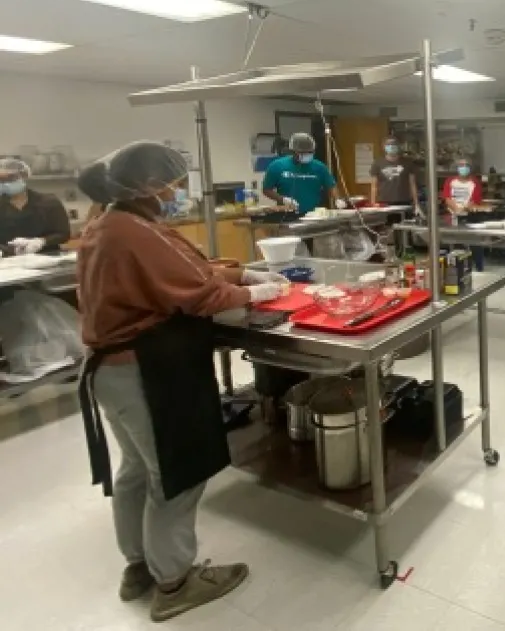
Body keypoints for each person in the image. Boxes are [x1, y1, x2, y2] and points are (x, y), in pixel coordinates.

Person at [75, 142, 289, 621]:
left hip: (111, 371)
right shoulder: (131, 231)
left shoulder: (110, 221)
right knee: (175, 473)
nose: (177, 191)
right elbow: (198, 294)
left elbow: (180, 268)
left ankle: (139, 565)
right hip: (144, 372)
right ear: (149, 185)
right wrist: (258, 289)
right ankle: (174, 581)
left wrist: (237, 272)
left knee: (136, 468)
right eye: (173, 183)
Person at [0, 157, 71, 254]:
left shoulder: (49, 202)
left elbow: (63, 234)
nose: (5, 183)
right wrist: (7, 250)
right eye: (1, 180)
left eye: (10, 178)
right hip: (9, 262)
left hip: (48, 258)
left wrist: (41, 242)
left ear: (23, 176)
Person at [262, 132, 341, 216]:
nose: (307, 155)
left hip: (314, 215)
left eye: (310, 152)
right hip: (287, 215)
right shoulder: (277, 166)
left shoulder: (320, 167)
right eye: (303, 153)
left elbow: (331, 186)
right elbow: (267, 189)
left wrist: (337, 199)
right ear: (293, 151)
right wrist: (283, 199)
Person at [441, 157, 484, 272]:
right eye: (461, 165)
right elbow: (446, 197)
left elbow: (476, 200)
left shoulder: (474, 182)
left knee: (475, 243)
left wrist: (465, 208)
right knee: (457, 243)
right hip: (453, 216)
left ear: (470, 168)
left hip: (470, 215)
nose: (463, 168)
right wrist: (455, 208)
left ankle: (479, 267)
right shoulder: (450, 181)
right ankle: (459, 268)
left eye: (466, 165)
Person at [369, 136, 419, 212]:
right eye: (388, 145)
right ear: (384, 147)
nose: (391, 147)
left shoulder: (408, 162)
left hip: (404, 202)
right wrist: (373, 203)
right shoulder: (377, 163)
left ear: (399, 146)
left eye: (394, 145)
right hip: (384, 203)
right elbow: (374, 186)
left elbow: (412, 184)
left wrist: (416, 204)